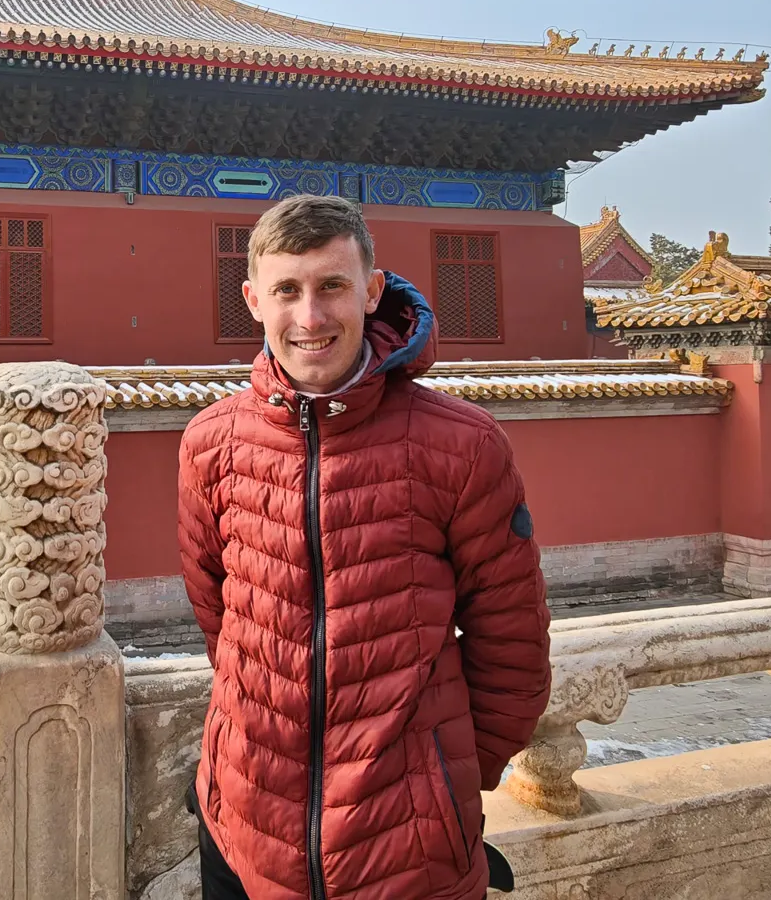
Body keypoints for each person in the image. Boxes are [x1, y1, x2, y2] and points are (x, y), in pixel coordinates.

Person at [177, 194, 552, 899]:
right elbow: (219, 616)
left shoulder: (460, 446)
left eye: (332, 286)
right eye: (287, 290)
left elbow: (515, 646)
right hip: (243, 837)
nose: (310, 317)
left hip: (408, 854)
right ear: (254, 300)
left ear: (373, 291)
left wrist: (440, 786)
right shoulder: (212, 444)